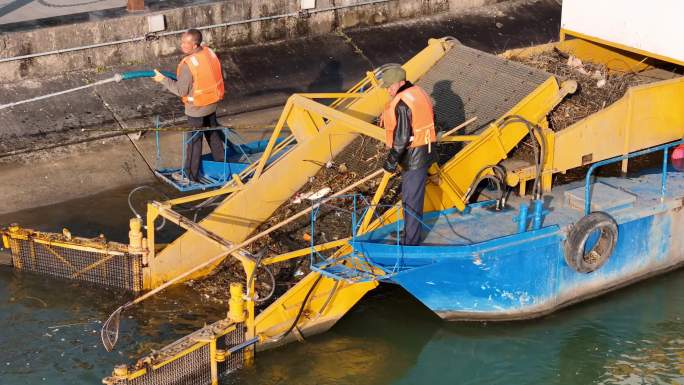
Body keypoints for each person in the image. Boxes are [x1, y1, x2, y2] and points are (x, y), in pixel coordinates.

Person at [153, 28, 225, 184]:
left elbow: (181, 90)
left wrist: (162, 79)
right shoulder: (208, 53)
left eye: (186, 42)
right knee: (213, 134)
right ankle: (222, 165)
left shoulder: (188, 65)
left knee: (193, 142)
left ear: (195, 44)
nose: (182, 45)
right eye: (182, 41)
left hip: (197, 109)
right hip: (211, 102)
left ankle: (190, 176)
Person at [380, 67, 436, 245]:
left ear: (400, 83)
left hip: (413, 156)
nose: (388, 90)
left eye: (389, 86)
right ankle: (408, 235)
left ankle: (410, 243)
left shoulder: (403, 103)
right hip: (424, 149)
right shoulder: (418, 92)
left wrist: (390, 161)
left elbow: (402, 137)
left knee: (411, 201)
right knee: (411, 197)